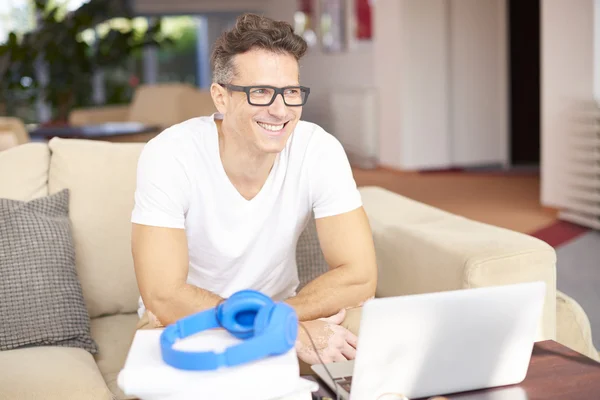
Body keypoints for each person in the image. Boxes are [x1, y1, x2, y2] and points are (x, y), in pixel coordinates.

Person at [130, 12, 377, 369]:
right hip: (185, 320)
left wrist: (279, 322)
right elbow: (163, 296)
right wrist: (283, 330)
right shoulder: (170, 154)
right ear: (221, 97)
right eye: (261, 92)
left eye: (291, 92)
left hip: (285, 313)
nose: (280, 110)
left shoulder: (318, 149)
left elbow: (361, 276)